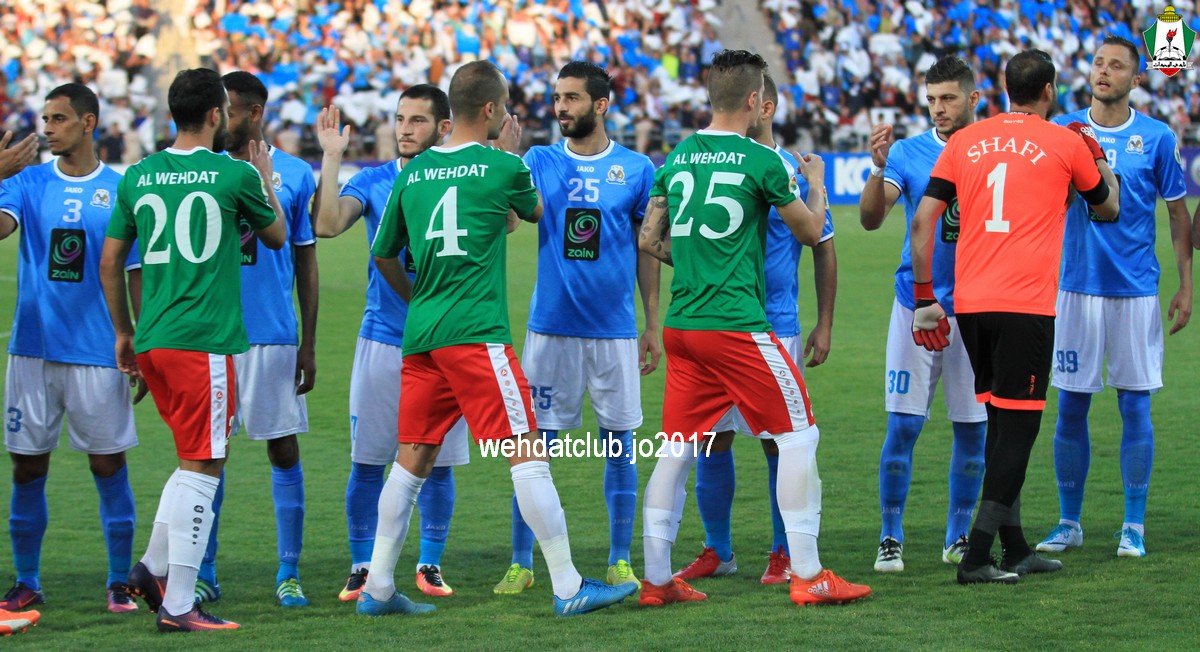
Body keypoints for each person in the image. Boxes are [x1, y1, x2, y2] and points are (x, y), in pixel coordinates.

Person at [360, 60, 637, 618]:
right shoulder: (502, 166)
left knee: (410, 459)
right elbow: (530, 213)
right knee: (528, 452)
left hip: (422, 336)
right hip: (476, 334)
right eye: (505, 108)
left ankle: (378, 588)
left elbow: (383, 252)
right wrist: (508, 157)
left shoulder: (414, 171)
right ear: (490, 110)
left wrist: (418, 297)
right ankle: (568, 586)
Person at [636, 49, 870, 607]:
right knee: (798, 435)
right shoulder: (761, 161)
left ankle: (657, 580)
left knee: (676, 449)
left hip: (682, 327)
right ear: (753, 99)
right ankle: (807, 573)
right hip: (736, 323)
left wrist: (695, 266)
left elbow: (648, 239)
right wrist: (816, 182)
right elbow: (812, 233)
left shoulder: (678, 156)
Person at [910, 49, 1121, 584]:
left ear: (1005, 90)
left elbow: (924, 220)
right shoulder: (1066, 141)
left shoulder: (965, 141)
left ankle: (1017, 548)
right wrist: (1095, 154)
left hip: (972, 305)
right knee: (1020, 434)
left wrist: (924, 297)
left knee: (1001, 426)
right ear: (1049, 90)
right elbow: (1108, 207)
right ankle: (977, 557)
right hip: (1026, 306)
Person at [99, 67, 287, 631]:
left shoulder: (138, 174)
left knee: (191, 459)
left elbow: (110, 263)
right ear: (213, 114)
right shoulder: (234, 174)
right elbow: (276, 236)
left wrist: (124, 332)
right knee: (206, 466)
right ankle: (179, 604)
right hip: (203, 341)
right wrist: (265, 178)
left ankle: (149, 569)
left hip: (154, 339)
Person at [495, 60, 660, 595]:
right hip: (551, 330)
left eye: (571, 98)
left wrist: (651, 323)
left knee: (621, 447)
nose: (560, 107)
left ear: (601, 104)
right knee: (533, 450)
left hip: (615, 331)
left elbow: (648, 250)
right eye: (557, 98)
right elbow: (509, 221)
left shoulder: (637, 169)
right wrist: (506, 160)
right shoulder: (539, 160)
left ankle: (619, 560)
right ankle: (521, 561)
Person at [676, 71, 838, 586]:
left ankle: (783, 552)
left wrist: (824, 323)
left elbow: (822, 244)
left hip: (774, 324)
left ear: (763, 108)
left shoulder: (786, 168)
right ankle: (717, 550)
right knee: (711, 440)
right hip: (717, 324)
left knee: (779, 442)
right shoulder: (713, 162)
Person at [313, 84, 472, 601]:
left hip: (444, 340)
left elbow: (511, 222)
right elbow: (327, 225)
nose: (405, 129)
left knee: (439, 462)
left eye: (417, 120)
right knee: (368, 461)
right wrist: (332, 157)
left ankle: (430, 563)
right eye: (400, 119)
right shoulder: (375, 180)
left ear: (444, 128)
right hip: (383, 340)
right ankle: (362, 566)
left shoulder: (462, 180)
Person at [1036, 36, 1192, 559]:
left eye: (1117, 66)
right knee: (1070, 407)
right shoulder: (1062, 131)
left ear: (1136, 78)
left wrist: (1185, 285)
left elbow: (1177, 214)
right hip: (1074, 289)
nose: (1104, 72)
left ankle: (1133, 525)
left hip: (1136, 292)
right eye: (1099, 63)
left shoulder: (1158, 137)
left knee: (1135, 406)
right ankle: (1069, 522)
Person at [0, 85, 142, 614]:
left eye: (58, 118)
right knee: (26, 469)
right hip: (33, 349)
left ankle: (118, 581)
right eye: (45, 118)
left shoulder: (121, 188)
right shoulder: (27, 181)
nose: (46, 128)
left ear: (87, 122)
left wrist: (142, 343)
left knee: (107, 466)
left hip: (99, 350)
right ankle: (27, 581)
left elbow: (135, 273)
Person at [189, 71, 319, 608]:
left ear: (255, 113)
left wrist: (309, 342)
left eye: (231, 109)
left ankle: (289, 571)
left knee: (282, 449)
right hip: (212, 334)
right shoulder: (202, 170)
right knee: (207, 455)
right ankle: (205, 571)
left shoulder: (295, 173)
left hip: (272, 335)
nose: (221, 118)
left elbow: (305, 260)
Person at [858, 56, 988, 573]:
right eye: (932, 99)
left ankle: (958, 536)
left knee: (973, 431)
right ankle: (890, 536)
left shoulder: (990, 150)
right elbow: (871, 219)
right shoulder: (908, 152)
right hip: (915, 306)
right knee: (904, 426)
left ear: (973, 98)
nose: (938, 108)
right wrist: (877, 168)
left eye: (948, 98)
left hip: (975, 310)